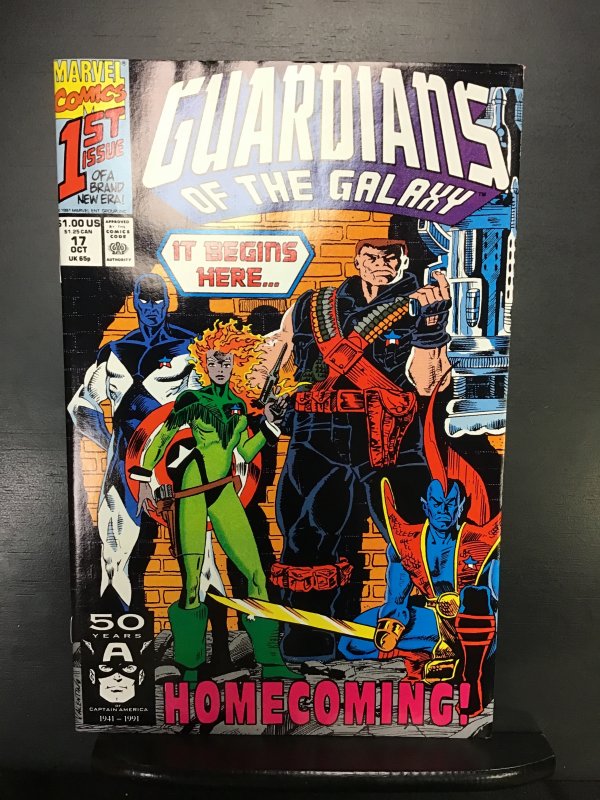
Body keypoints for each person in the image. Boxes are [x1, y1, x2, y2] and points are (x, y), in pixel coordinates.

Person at [251, 234, 452, 661]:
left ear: (403, 261)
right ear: (358, 260)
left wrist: (432, 325)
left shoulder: (421, 304)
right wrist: (262, 390)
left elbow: (427, 383)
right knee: (305, 534)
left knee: (413, 536)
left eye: (391, 257)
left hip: (387, 435)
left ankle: (435, 637)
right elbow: (278, 348)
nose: (382, 264)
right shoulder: (313, 305)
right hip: (313, 434)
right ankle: (310, 640)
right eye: (372, 256)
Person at [130, 320, 300, 683]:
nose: (220, 366)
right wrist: (143, 478)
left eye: (226, 361)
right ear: (204, 364)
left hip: (223, 491)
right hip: (191, 492)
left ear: (235, 362)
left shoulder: (237, 405)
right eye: (214, 361)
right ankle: (189, 667)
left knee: (255, 574)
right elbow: (162, 438)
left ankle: (271, 662)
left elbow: (245, 451)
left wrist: (269, 425)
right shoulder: (192, 400)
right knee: (192, 583)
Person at [339, 380, 500, 717]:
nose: (443, 512)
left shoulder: (479, 541)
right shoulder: (407, 543)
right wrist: (391, 626)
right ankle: (421, 657)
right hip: (428, 619)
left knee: (489, 632)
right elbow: (396, 600)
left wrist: (475, 608)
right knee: (351, 640)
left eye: (450, 505)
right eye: (437, 504)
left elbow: (494, 594)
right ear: (426, 506)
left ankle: (463, 665)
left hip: (470, 624)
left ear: (460, 507)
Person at [68, 273, 197, 609]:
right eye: (144, 299)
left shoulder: (190, 347)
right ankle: (118, 627)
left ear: (167, 303)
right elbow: (82, 407)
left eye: (158, 299)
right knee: (113, 554)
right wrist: (111, 444)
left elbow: (208, 407)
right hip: (124, 459)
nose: (151, 307)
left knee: (198, 553)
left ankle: (208, 636)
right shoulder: (114, 352)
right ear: (135, 302)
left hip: (175, 460)